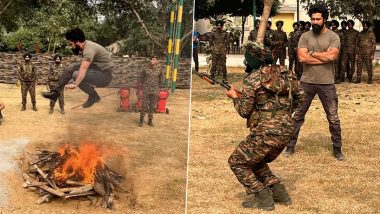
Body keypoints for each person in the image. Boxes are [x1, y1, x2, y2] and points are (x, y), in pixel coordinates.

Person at [227, 41, 305, 211]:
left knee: (237, 162)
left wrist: (234, 96)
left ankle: (263, 197)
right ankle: (280, 193)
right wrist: (283, 114)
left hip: (266, 132)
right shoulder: (287, 74)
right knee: (256, 160)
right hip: (286, 129)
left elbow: (244, 111)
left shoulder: (253, 79)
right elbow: (301, 97)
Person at [283, 2, 345, 161]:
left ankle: (337, 149)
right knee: (297, 116)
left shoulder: (333, 36)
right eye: (313, 19)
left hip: (327, 83)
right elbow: (302, 58)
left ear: (324, 19)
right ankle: (290, 146)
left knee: (333, 117)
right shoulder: (305, 36)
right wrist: (322, 56)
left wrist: (312, 54)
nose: (315, 22)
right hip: (306, 82)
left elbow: (332, 56)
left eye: (318, 19)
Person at [42, 28, 114, 108]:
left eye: (70, 44)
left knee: (76, 75)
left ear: (77, 42)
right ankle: (55, 93)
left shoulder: (88, 50)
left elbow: (83, 69)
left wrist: (75, 83)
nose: (70, 47)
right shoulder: (87, 46)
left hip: (105, 76)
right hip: (97, 69)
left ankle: (93, 96)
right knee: (72, 67)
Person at [139, 56, 163, 127]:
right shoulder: (145, 68)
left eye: (153, 59)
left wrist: (156, 86)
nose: (151, 60)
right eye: (151, 59)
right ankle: (141, 120)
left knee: (152, 106)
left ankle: (150, 120)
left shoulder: (159, 70)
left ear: (156, 61)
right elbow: (141, 78)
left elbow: (161, 80)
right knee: (144, 105)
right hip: (146, 89)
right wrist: (144, 85)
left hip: (154, 90)